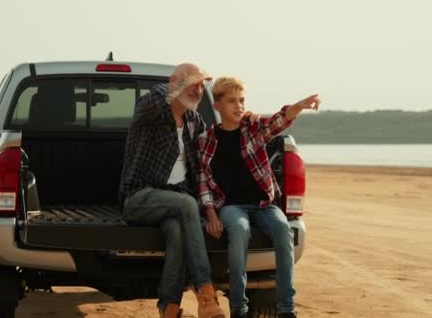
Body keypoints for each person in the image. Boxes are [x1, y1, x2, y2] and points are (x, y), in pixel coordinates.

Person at [197, 76, 321, 318]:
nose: (239, 106)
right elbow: (203, 181)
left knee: (283, 230)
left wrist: (300, 105)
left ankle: (286, 308)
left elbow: (279, 120)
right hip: (231, 207)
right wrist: (211, 214)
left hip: (264, 204)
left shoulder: (254, 130)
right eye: (232, 101)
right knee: (240, 231)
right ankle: (239, 308)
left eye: (242, 101)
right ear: (217, 106)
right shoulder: (206, 140)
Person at [119, 63, 226, 318]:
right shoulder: (151, 111)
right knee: (186, 204)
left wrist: (211, 214)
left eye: (202, 86)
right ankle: (205, 292)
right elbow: (153, 100)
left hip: (175, 202)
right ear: (174, 82)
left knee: (178, 231)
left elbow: (202, 170)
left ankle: (169, 308)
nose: (199, 90)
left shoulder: (194, 122)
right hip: (139, 197)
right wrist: (180, 84)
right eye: (194, 84)